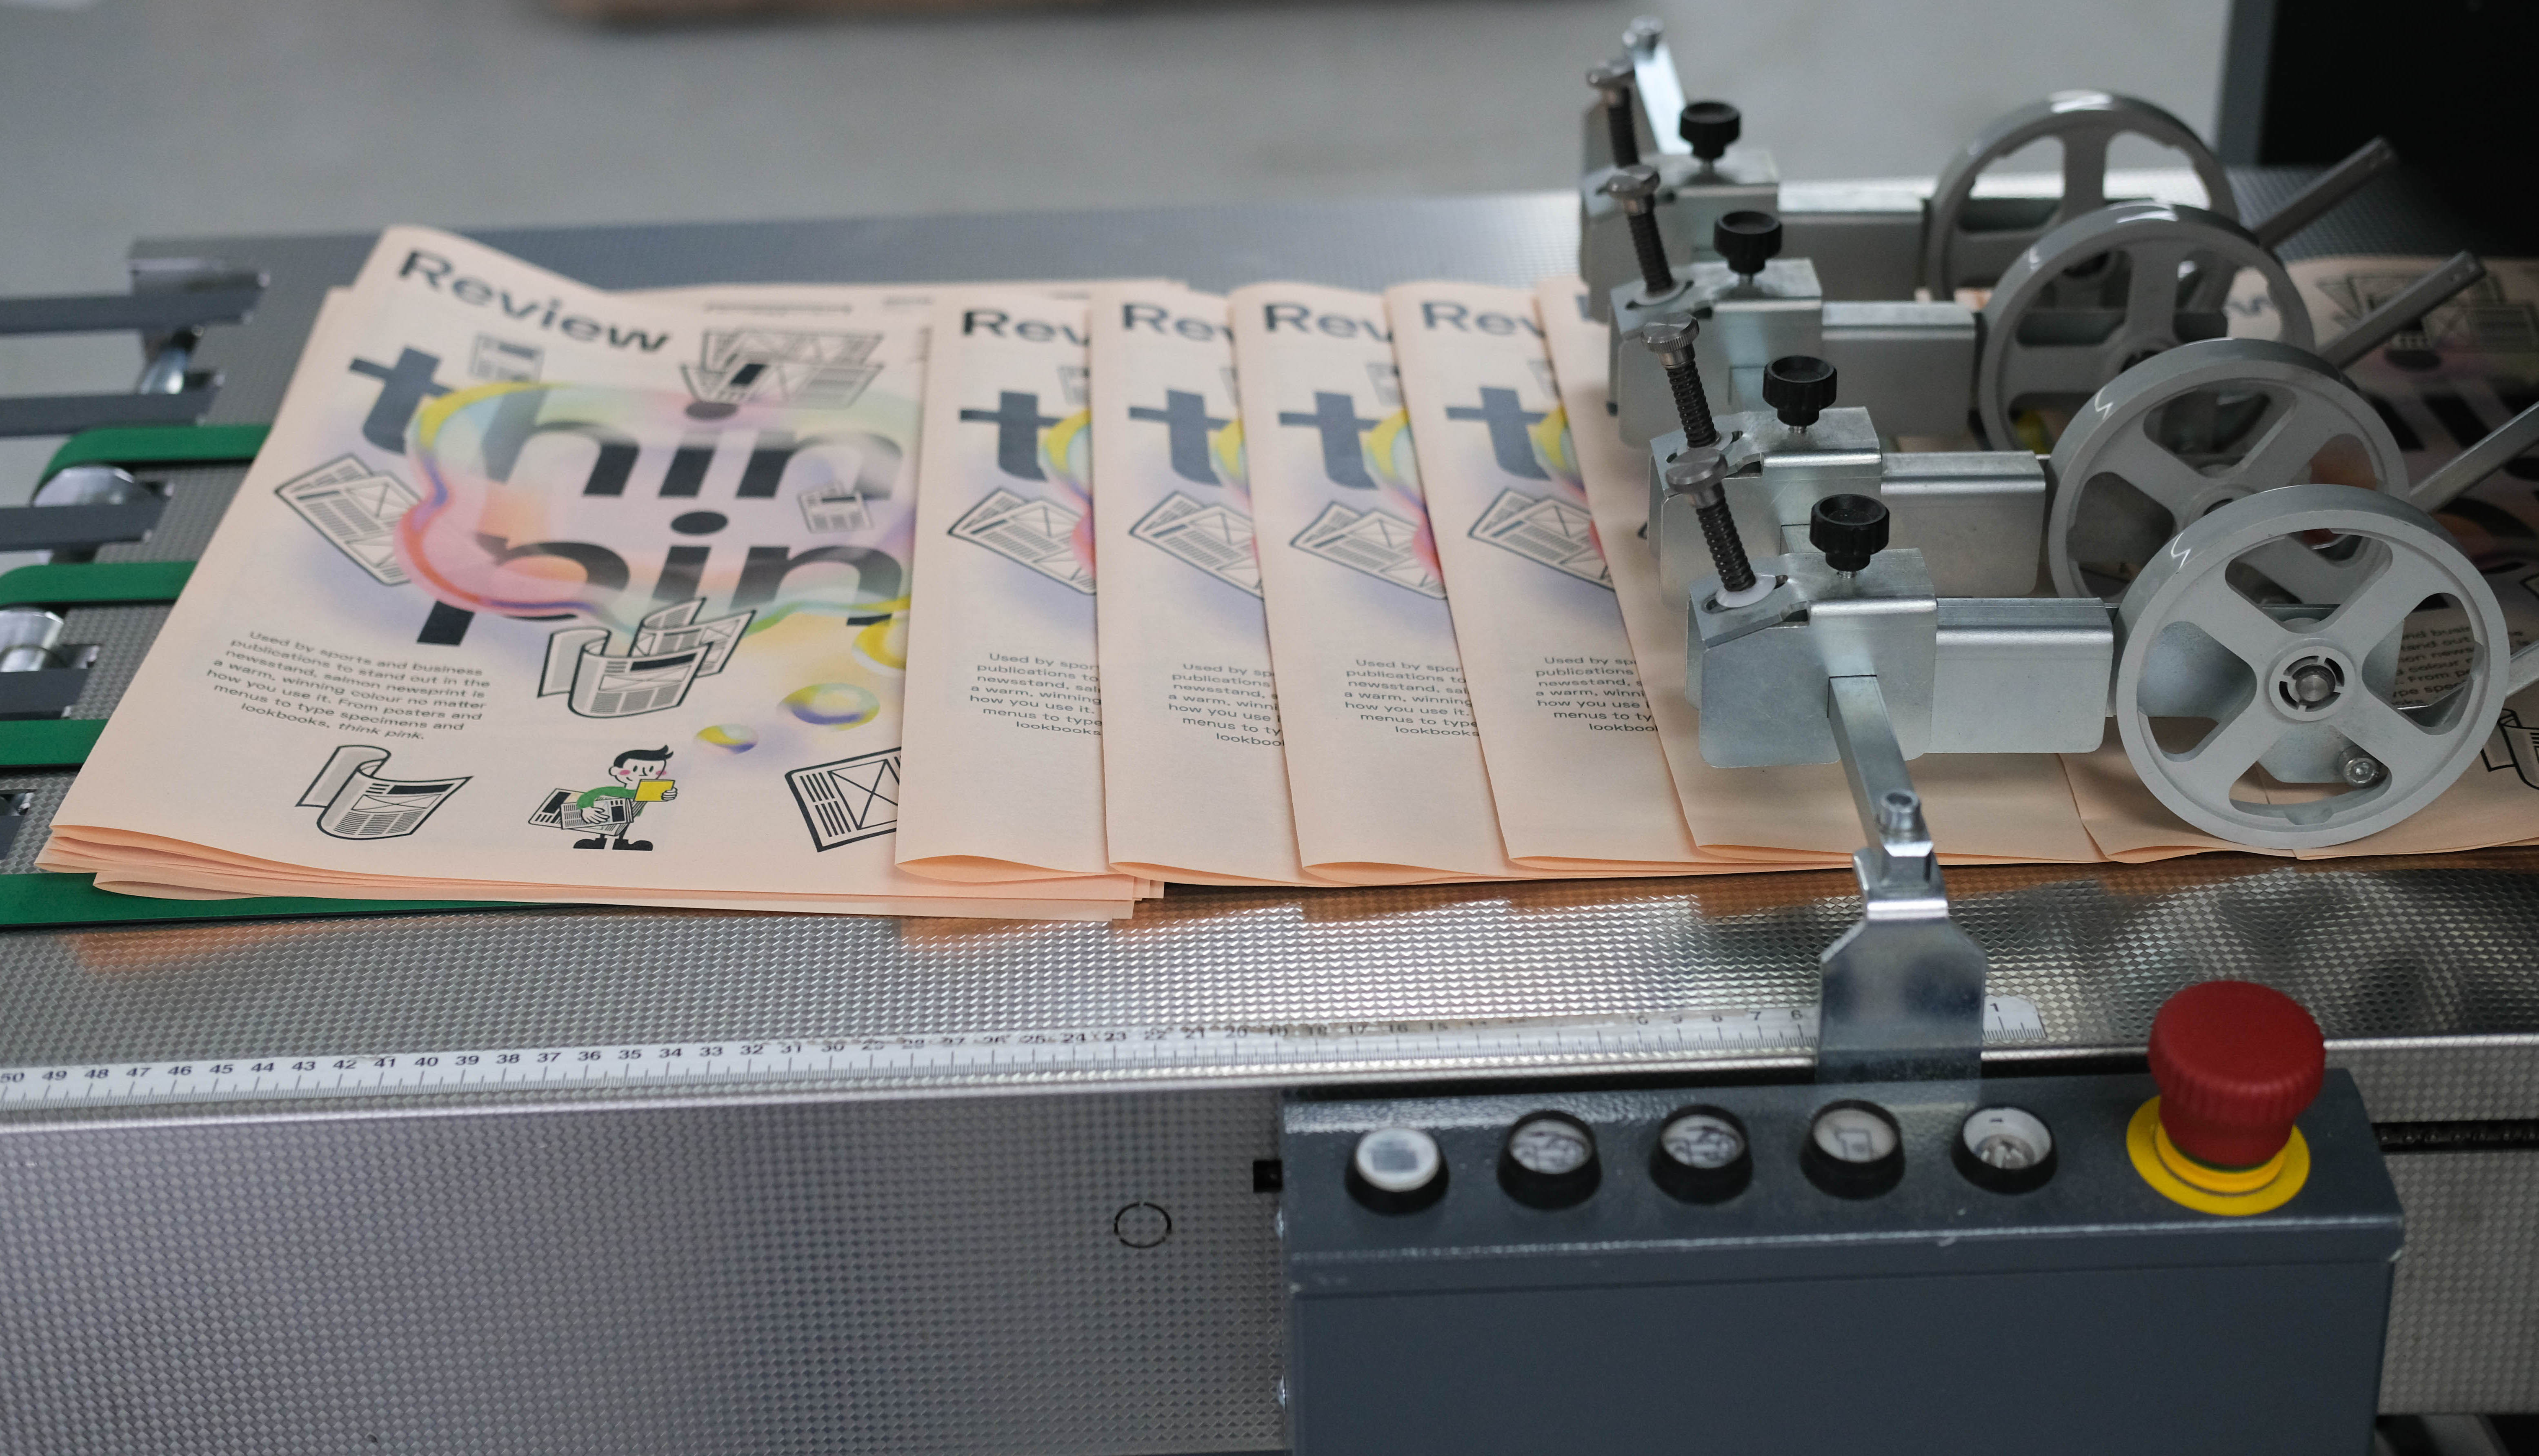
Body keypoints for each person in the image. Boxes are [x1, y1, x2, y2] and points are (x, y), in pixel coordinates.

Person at [572, 746, 676, 850]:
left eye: (651, 770)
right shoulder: (612, 790)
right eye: (635, 769)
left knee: (623, 829)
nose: (643, 774)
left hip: (630, 818)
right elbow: (589, 795)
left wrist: (669, 794)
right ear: (615, 771)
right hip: (607, 815)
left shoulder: (646, 791)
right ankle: (599, 843)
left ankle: (620, 843)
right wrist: (586, 809)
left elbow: (662, 795)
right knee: (606, 829)